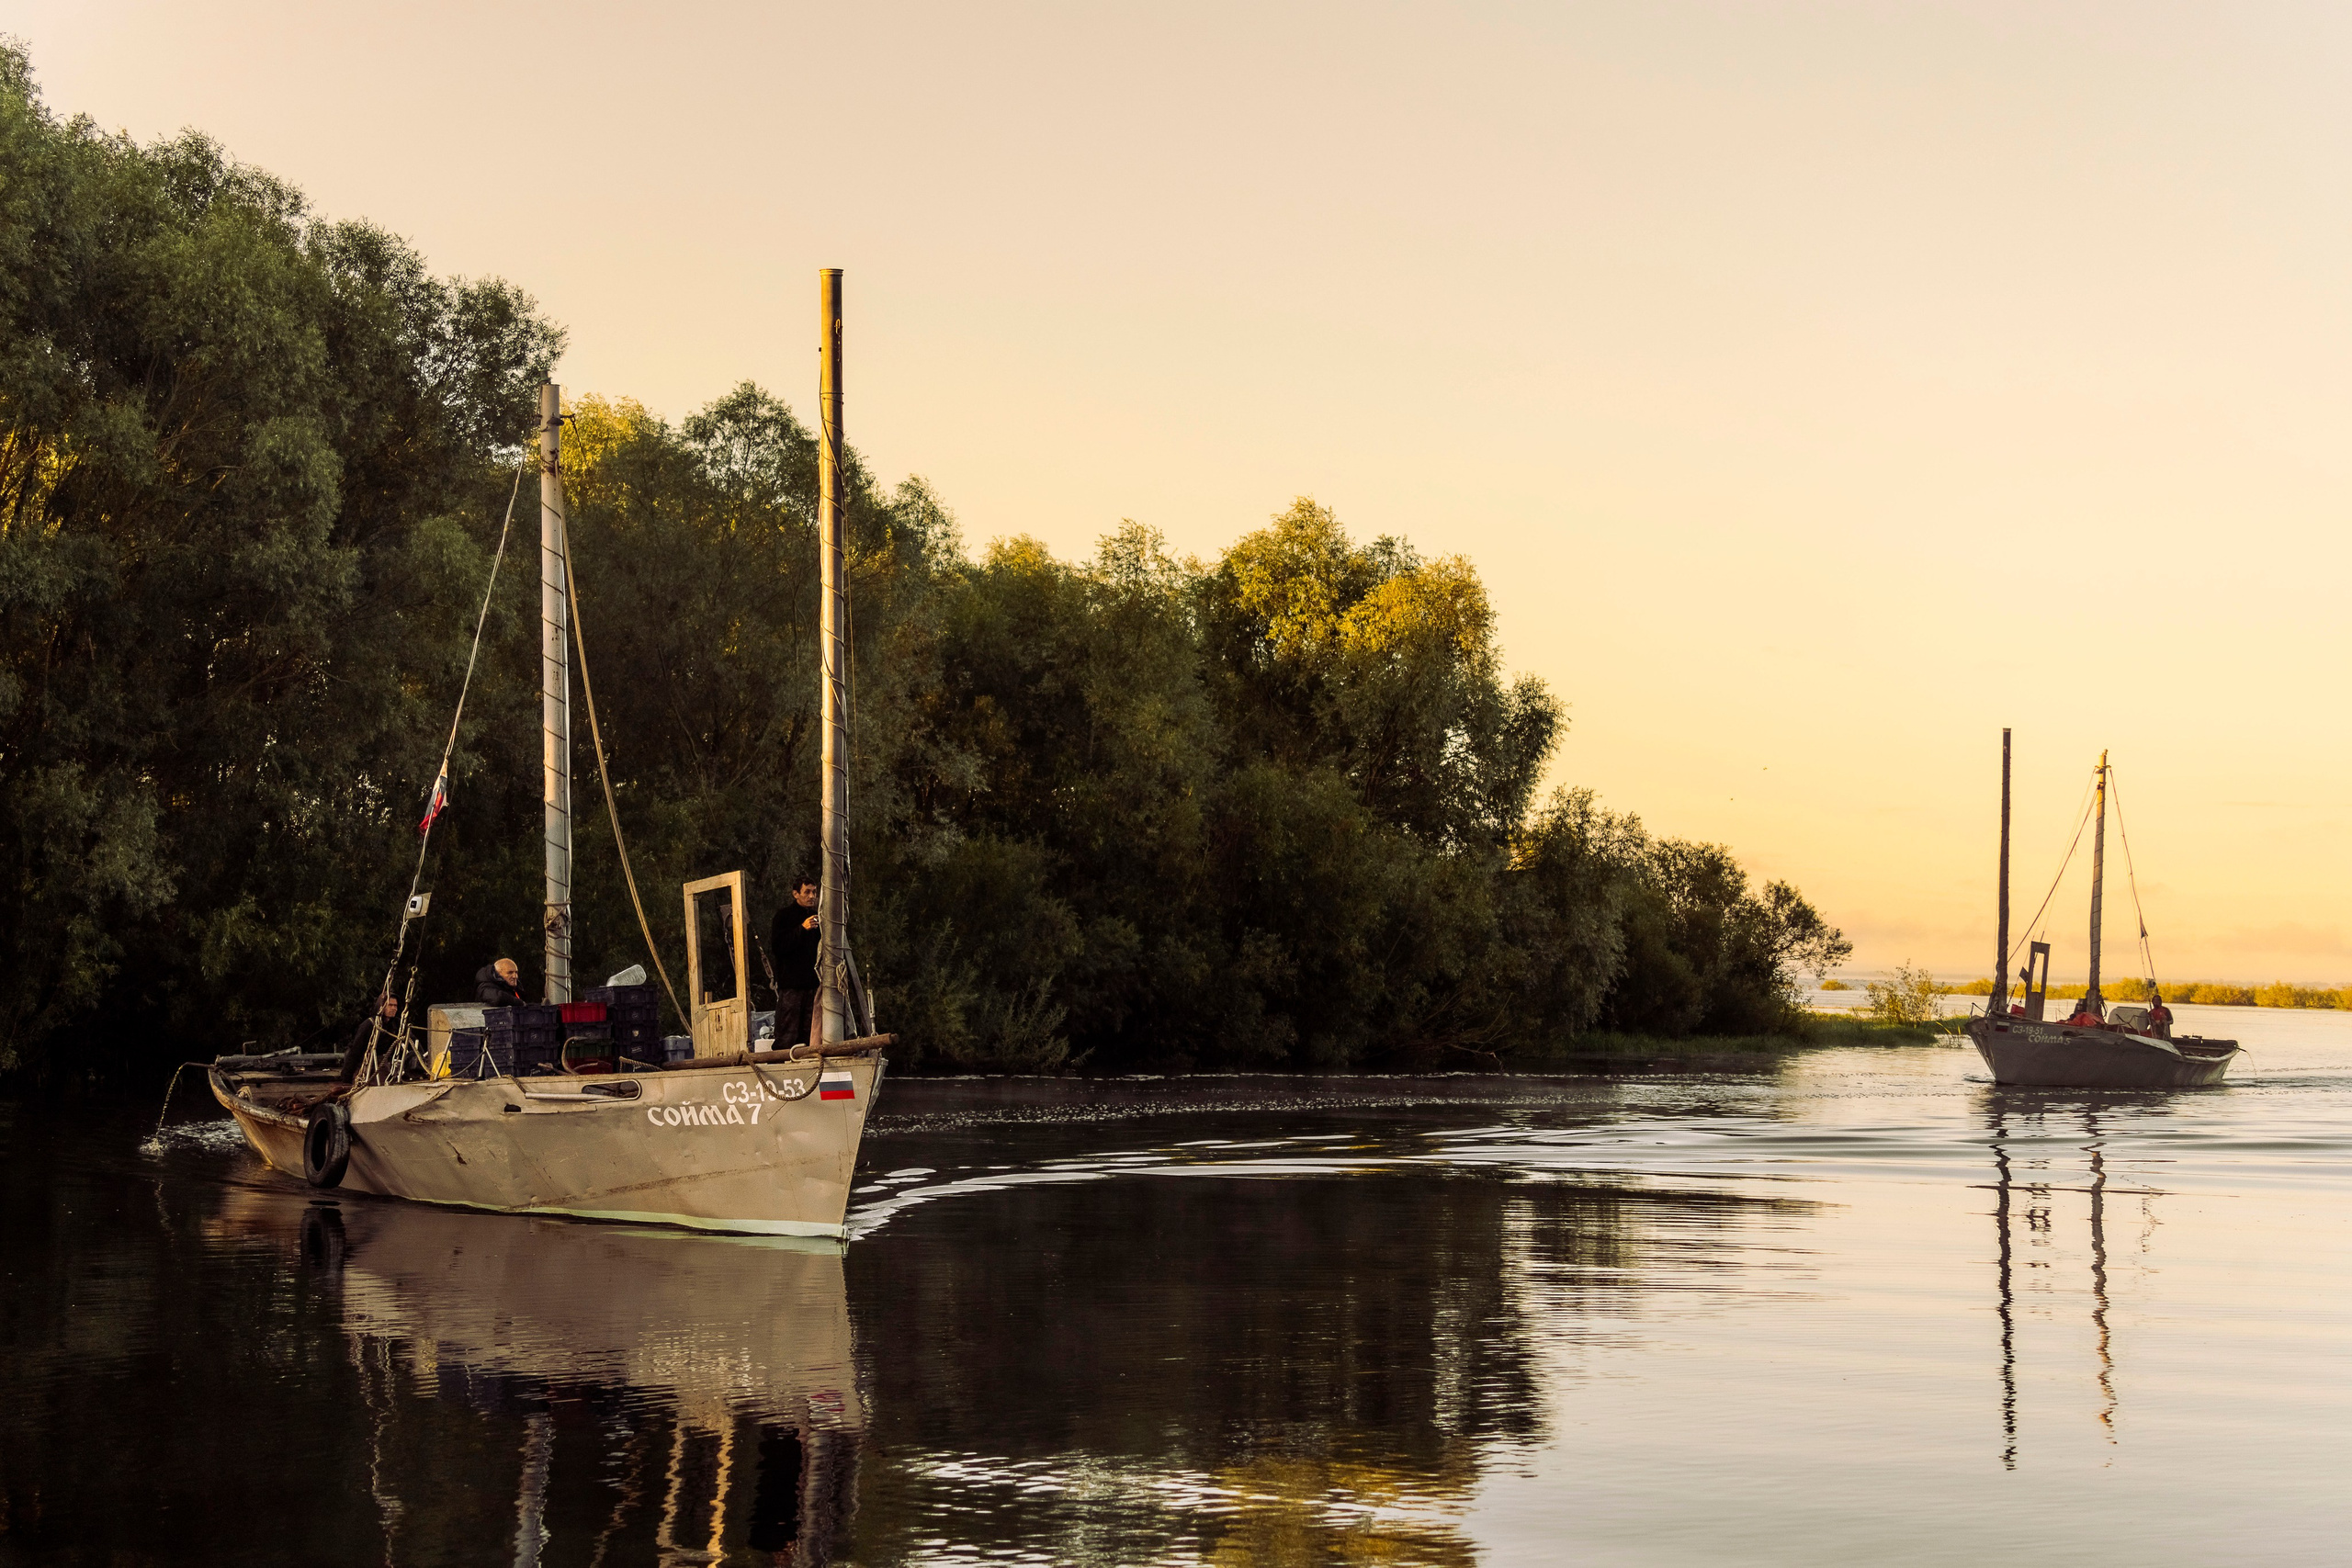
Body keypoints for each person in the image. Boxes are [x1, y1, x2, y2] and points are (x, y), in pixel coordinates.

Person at [768, 876, 820, 1048]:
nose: (811, 896)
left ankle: (805, 1066)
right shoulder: (783, 916)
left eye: (814, 892)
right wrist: (801, 929)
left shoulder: (818, 918)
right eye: (807, 892)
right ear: (796, 894)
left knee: (809, 1031)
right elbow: (778, 946)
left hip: (812, 984)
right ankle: (779, 1065)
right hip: (791, 984)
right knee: (787, 1031)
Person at [338, 991, 401, 1083]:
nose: (393, 1008)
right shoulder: (369, 1025)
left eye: (395, 1006)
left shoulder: (396, 1024)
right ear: (381, 1006)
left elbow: (411, 1040)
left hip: (382, 1064)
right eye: (390, 1005)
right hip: (364, 1064)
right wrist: (346, 1079)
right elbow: (355, 1051)